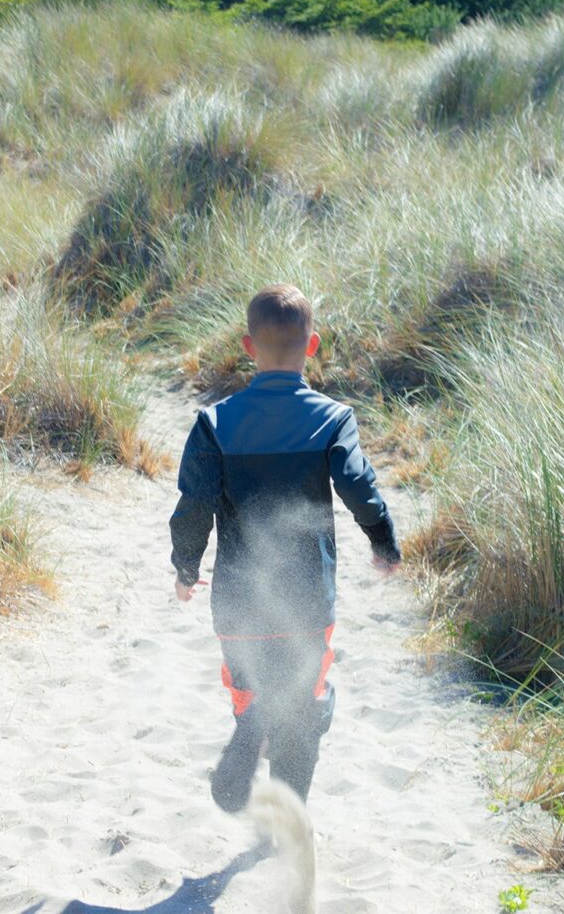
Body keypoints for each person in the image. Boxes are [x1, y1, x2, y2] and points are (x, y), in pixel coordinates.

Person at [169, 283, 401, 814]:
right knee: (305, 702)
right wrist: (383, 541)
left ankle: (253, 723)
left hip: (238, 600)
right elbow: (359, 487)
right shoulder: (332, 419)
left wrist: (185, 567)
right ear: (312, 345)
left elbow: (194, 504)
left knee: (251, 688)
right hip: (305, 599)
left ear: (248, 348)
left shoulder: (215, 423)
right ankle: (289, 815)